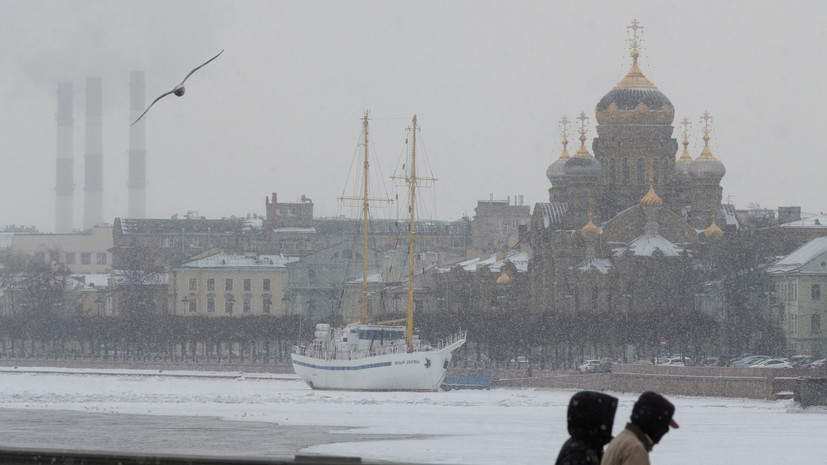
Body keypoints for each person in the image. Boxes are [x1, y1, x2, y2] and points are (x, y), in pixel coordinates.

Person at [600, 391, 678, 465]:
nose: (666, 431)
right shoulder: (635, 449)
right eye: (664, 425)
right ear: (654, 422)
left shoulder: (622, 437)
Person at [554, 390, 619, 465]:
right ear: (594, 418)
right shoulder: (577, 455)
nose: (610, 422)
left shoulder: (589, 445)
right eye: (607, 417)